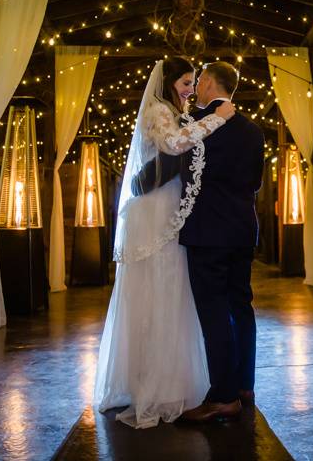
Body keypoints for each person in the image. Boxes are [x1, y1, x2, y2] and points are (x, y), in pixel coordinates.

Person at [94, 58, 235, 429]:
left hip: (172, 208)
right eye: (187, 82)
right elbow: (172, 146)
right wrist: (218, 117)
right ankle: (151, 385)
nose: (191, 88)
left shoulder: (177, 110)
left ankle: (174, 379)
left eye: (194, 82)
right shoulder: (159, 111)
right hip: (156, 214)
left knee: (175, 290)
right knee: (157, 289)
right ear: (170, 82)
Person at [177, 62, 265, 423]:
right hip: (242, 230)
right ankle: (244, 386)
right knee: (241, 306)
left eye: (198, 81)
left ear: (209, 82)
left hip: (208, 231)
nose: (195, 87)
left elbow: (183, 172)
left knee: (213, 312)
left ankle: (224, 397)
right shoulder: (253, 130)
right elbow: (256, 182)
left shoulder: (196, 127)